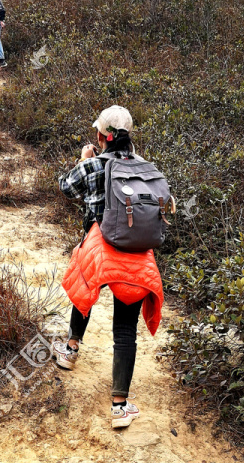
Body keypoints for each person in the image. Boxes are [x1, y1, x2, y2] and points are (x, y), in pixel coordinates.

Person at [53, 106, 165, 429]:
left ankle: (70, 350)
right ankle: (120, 407)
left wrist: (84, 159)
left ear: (102, 136)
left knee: (85, 293)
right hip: (136, 256)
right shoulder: (143, 167)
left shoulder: (94, 165)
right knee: (125, 329)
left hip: (100, 249)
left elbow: (65, 187)